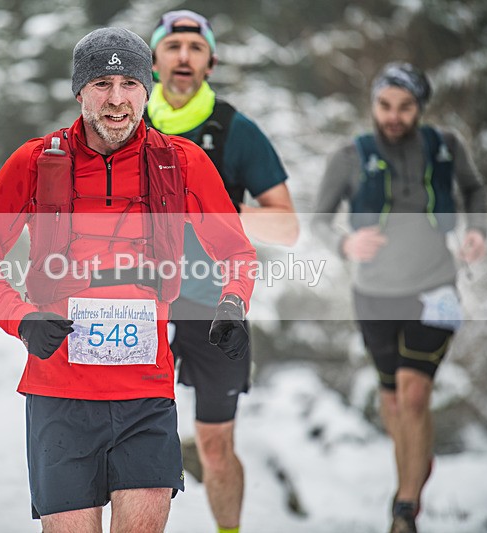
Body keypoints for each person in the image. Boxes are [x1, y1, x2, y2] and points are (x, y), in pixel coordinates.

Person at [0, 27, 257, 532]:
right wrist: (22, 318)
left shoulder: (182, 162)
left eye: (129, 83)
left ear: (148, 88)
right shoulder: (34, 161)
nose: (116, 99)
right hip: (60, 394)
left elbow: (237, 253)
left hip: (146, 392)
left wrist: (232, 304)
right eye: (101, 83)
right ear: (79, 91)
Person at [312, 62, 487, 533]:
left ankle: (405, 507)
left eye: (405, 107)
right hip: (374, 296)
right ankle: (414, 468)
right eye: (384, 105)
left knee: (413, 395)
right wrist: (345, 244)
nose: (393, 116)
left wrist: (477, 231)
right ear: (373, 105)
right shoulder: (350, 155)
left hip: (436, 288)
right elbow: (319, 220)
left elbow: (473, 189)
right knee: (393, 403)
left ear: (420, 108)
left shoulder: (445, 147)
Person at [146, 10, 298, 533]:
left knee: (214, 445)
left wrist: (221, 212)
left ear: (211, 61)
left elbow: (288, 227)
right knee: (135, 438)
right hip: (139, 303)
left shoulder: (236, 129)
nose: (184, 56)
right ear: (154, 60)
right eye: (173, 46)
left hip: (216, 303)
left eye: (195, 47)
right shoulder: (126, 121)